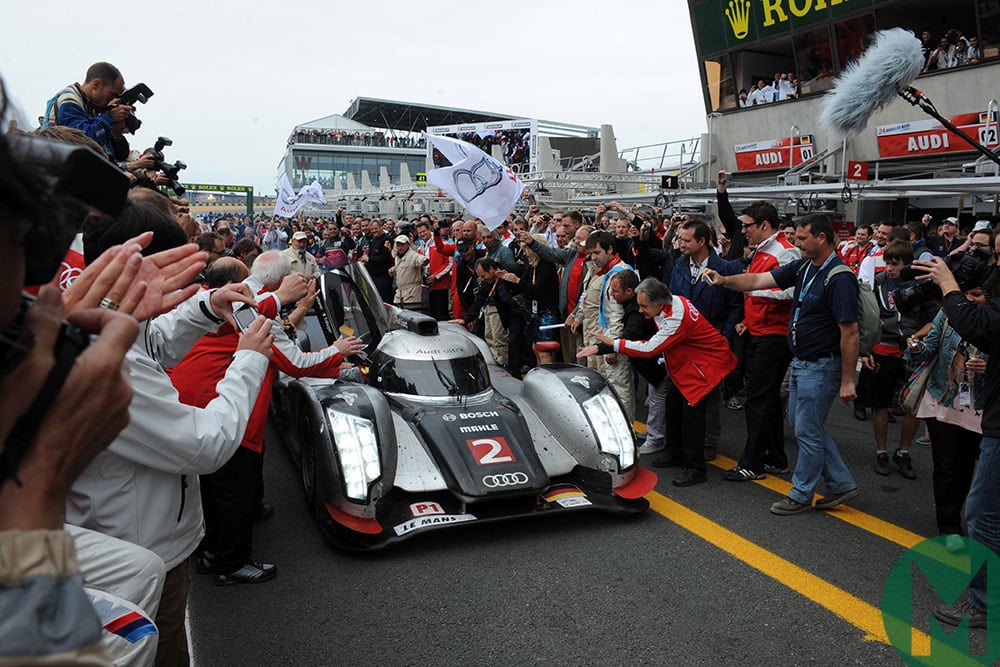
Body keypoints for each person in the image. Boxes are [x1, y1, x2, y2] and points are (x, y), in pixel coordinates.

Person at [67, 202, 276, 666]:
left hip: (149, 536)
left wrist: (207, 308)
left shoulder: (104, 318)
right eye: (172, 267)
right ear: (129, 268)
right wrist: (249, 359)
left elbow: (152, 342)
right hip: (139, 551)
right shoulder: (105, 359)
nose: (184, 283)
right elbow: (206, 444)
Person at [704, 213, 861, 514]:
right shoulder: (804, 267)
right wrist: (724, 280)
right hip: (802, 362)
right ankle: (840, 483)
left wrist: (847, 379)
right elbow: (758, 279)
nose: (797, 243)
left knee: (806, 429)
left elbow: (850, 332)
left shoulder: (839, 278)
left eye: (802, 238)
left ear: (822, 238)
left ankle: (801, 494)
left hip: (821, 365)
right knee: (804, 426)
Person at [578, 277, 735, 487]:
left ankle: (695, 468)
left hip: (705, 367)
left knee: (692, 416)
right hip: (690, 364)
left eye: (644, 306)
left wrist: (611, 345)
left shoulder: (677, 319)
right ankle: (675, 452)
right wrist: (605, 346)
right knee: (672, 404)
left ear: (660, 303)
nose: (640, 310)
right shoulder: (673, 302)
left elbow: (649, 349)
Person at [914, 253, 1000, 628]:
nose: (995, 262)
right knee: (954, 475)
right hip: (956, 401)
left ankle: (985, 603)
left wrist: (948, 283)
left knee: (982, 513)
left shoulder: (975, 310)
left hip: (991, 417)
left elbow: (976, 326)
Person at [717, 178, 800, 479]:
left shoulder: (784, 252)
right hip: (760, 332)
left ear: (764, 225)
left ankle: (751, 464)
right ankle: (775, 458)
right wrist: (747, 320)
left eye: (748, 225)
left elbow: (791, 291)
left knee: (758, 399)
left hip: (774, 336)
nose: (743, 230)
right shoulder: (763, 251)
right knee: (765, 399)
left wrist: (756, 292)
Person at [907, 282, 989, 551]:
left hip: (980, 406)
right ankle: (949, 526)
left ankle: (964, 514)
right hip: (943, 398)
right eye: (966, 294)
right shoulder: (948, 314)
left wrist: (989, 366)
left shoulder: (992, 320)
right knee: (945, 466)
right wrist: (917, 347)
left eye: (977, 295)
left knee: (967, 467)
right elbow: (930, 348)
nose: (970, 299)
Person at [858, 241, 937, 479]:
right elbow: (867, 317)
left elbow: (934, 320)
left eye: (896, 264)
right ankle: (881, 451)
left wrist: (916, 336)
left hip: (913, 350)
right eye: (888, 263)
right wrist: (865, 349)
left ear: (907, 264)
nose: (891, 268)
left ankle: (903, 451)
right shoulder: (878, 283)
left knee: (912, 404)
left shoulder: (921, 286)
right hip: (884, 347)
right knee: (879, 402)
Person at [43, 62, 131, 162]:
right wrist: (109, 117)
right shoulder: (69, 100)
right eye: (112, 94)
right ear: (96, 84)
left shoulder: (88, 105)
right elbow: (82, 140)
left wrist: (115, 132)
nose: (112, 99)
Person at [390, 234, 428, 309]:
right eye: (398, 245)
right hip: (399, 293)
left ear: (407, 244)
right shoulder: (397, 256)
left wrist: (424, 261)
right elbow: (402, 265)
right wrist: (393, 269)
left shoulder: (413, 255)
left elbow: (420, 259)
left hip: (411, 293)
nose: (400, 248)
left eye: (402, 245)